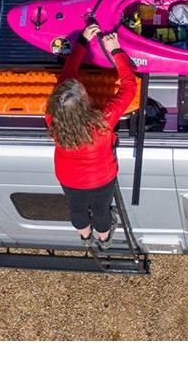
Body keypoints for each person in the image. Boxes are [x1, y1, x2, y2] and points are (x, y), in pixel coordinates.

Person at [45, 23, 138, 250]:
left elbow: (66, 75)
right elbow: (129, 87)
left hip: (68, 177)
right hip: (100, 176)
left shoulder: (53, 116)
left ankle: (85, 237)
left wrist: (82, 42)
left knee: (76, 208)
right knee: (101, 209)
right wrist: (114, 49)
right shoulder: (102, 120)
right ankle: (104, 238)